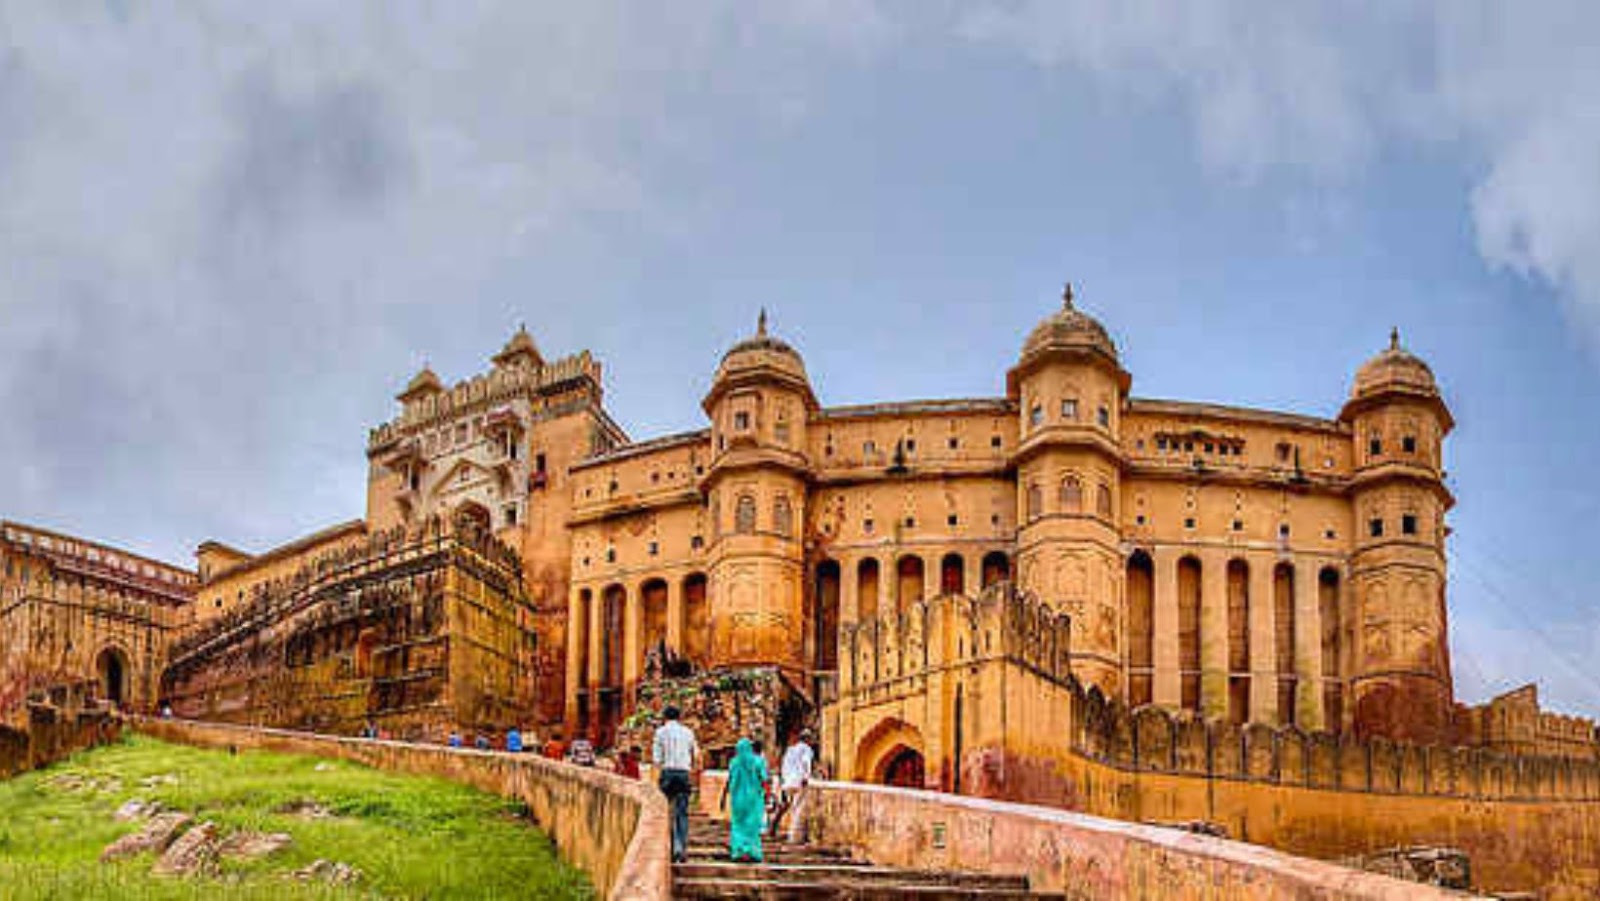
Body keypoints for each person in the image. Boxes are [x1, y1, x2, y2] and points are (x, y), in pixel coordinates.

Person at [652, 705, 698, 864]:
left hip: (668, 773)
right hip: (683, 773)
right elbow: (696, 755)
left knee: (666, 812)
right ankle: (681, 849)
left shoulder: (660, 732)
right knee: (682, 813)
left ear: (665, 717)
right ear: (679, 717)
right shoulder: (688, 732)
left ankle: (670, 847)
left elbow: (656, 760)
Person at [721, 738, 768, 863]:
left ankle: (739, 851)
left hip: (737, 799)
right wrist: (768, 795)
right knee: (752, 826)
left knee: (738, 825)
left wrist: (723, 797)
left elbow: (729, 780)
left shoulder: (733, 763)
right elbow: (764, 780)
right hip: (754, 799)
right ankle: (752, 852)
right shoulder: (758, 761)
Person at [775, 730, 816, 843]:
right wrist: (806, 777)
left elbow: (784, 766)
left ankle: (792, 834)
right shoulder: (806, 749)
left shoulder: (790, 750)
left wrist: (784, 780)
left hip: (788, 782)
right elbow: (806, 763)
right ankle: (795, 837)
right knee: (798, 808)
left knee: (793, 807)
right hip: (799, 781)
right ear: (807, 739)